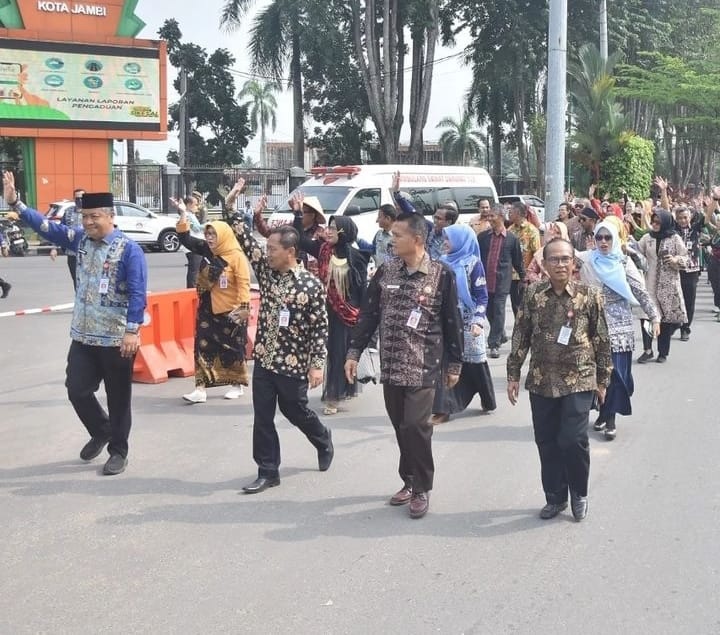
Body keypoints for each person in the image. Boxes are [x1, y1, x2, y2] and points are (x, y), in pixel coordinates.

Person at [2, 171, 147, 476]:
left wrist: (132, 330)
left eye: (94, 217)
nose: (88, 223)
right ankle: (102, 428)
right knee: (77, 390)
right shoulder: (80, 241)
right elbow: (46, 227)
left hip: (116, 339)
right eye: (84, 217)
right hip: (82, 336)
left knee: (119, 398)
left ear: (109, 216)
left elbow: (137, 292)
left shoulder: (129, 250)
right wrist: (16, 201)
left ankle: (119, 450)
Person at [345, 212, 464, 519]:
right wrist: (354, 351)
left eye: (398, 235)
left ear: (417, 239)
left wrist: (454, 364)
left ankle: (422, 487)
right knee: (401, 426)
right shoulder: (386, 272)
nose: (392, 240)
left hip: (424, 365)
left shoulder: (441, 274)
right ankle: (409, 480)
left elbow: (453, 321)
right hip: (392, 364)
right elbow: (368, 315)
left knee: (416, 425)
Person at [233, 191, 334, 494]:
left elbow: (320, 327)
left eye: (273, 249)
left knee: (295, 411)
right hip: (264, 359)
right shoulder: (265, 272)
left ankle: (321, 437)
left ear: (290, 251)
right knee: (262, 416)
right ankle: (267, 470)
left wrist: (317, 366)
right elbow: (244, 240)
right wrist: (233, 205)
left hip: (293, 364)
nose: (267, 253)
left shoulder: (310, 285)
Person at [507, 238, 612, 521]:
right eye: (555, 259)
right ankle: (555, 497)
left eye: (566, 259)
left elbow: (602, 339)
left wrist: (603, 379)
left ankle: (579, 492)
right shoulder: (533, 295)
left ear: (574, 262)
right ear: (544, 263)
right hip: (542, 379)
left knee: (573, 439)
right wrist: (513, 373)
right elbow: (521, 334)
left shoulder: (589, 295)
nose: (561, 264)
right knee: (547, 441)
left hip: (579, 378)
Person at [577, 222, 660, 440]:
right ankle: (603, 412)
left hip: (619, 326)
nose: (603, 242)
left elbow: (640, 292)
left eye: (608, 238)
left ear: (615, 239)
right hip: (592, 324)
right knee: (596, 373)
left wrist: (654, 317)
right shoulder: (587, 259)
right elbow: (557, 259)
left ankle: (611, 418)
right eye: (599, 238)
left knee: (616, 373)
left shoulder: (624, 263)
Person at [293, 196, 369, 414]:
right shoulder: (323, 250)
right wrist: (298, 213)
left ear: (344, 232)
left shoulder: (356, 257)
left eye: (334, 228)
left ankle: (338, 392)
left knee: (343, 352)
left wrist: (364, 317)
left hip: (349, 313)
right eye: (329, 227)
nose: (329, 231)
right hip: (329, 311)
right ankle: (335, 393)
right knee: (331, 351)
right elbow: (299, 238)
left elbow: (361, 289)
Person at [172, 197, 251, 403]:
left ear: (223, 235)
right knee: (202, 346)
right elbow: (185, 239)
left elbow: (243, 284)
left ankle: (236, 384)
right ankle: (200, 388)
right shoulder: (207, 250)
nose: (209, 238)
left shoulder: (236, 256)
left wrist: (243, 308)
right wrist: (182, 214)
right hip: (207, 309)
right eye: (207, 234)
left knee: (232, 348)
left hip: (231, 311)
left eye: (213, 234)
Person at [431, 223, 494, 424]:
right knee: (445, 362)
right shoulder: (440, 263)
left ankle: (487, 398)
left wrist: (477, 321)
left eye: (449, 239)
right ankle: (444, 408)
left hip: (468, 321)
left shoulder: (473, 264)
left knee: (475, 363)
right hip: (446, 322)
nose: (445, 243)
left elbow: (482, 297)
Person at [635, 209, 689, 364]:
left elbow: (686, 258)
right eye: (653, 221)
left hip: (668, 284)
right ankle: (647, 350)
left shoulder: (674, 238)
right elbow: (638, 253)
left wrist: (675, 260)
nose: (655, 225)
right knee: (646, 316)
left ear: (665, 222)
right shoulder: (647, 237)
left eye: (658, 222)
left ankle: (663, 352)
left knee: (665, 319)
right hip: (649, 282)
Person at [478, 203, 524, 358]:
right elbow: (477, 258)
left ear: (501, 217)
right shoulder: (483, 237)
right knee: (488, 311)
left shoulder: (511, 239)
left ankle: (494, 344)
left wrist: (524, 277)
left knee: (498, 310)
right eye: (488, 215)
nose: (489, 218)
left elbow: (517, 261)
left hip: (502, 281)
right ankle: (500, 333)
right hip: (484, 280)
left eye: (492, 216)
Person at [508, 202, 540, 316]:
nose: (509, 213)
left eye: (512, 211)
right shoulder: (510, 230)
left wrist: (528, 275)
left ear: (520, 213)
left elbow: (537, 254)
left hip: (526, 275)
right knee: (515, 306)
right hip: (512, 275)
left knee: (527, 306)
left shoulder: (532, 231)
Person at [177, 196, 205, 289]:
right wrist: (209, 224)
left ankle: (200, 288)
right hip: (193, 247)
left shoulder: (191, 215)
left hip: (198, 246)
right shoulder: (187, 215)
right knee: (194, 270)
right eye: (195, 204)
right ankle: (191, 290)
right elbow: (196, 228)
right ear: (188, 205)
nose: (197, 206)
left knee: (202, 269)